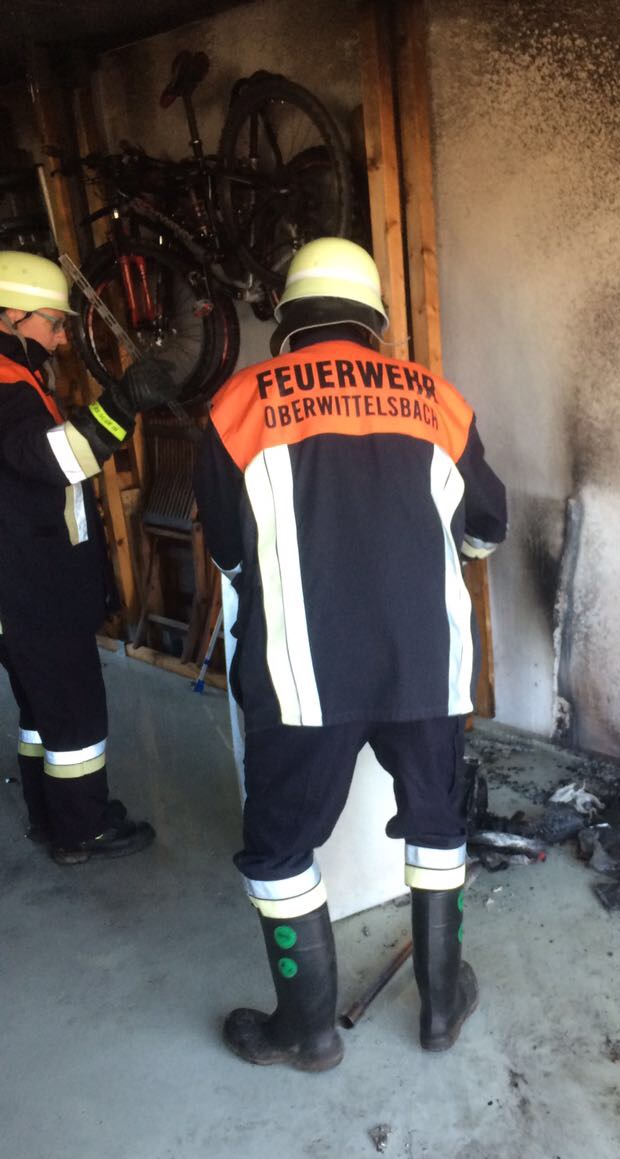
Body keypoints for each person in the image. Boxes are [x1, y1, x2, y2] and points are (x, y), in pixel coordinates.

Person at [195, 237, 507, 1071]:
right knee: (438, 824)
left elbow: (227, 548)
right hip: (427, 668)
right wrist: (442, 559)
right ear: (373, 321)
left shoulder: (238, 404)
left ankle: (307, 1031)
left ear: (288, 320)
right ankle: (441, 1009)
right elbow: (487, 525)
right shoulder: (436, 399)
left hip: (302, 676)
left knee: (279, 850)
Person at [0, 250, 174, 865]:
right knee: (73, 715)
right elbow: (58, 458)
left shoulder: (19, 378)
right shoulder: (5, 386)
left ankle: (53, 817)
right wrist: (124, 401)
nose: (62, 336)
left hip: (21, 586)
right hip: (32, 586)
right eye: (53, 322)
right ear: (10, 315)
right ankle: (83, 832)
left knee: (41, 710)